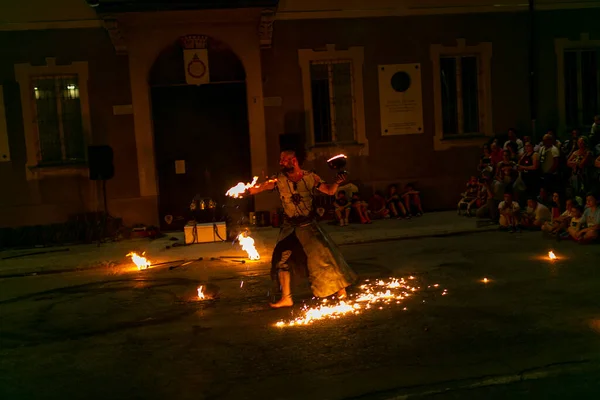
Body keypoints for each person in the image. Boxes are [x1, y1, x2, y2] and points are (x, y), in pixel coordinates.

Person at [248, 149, 357, 308]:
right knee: (282, 261)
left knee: (324, 260)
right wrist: (247, 190)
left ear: (294, 160)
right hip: (289, 228)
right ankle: (287, 298)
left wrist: (337, 182)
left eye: (284, 159)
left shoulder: (310, 177)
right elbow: (262, 187)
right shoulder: (278, 180)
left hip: (308, 227)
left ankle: (341, 292)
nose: (280, 163)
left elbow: (330, 191)